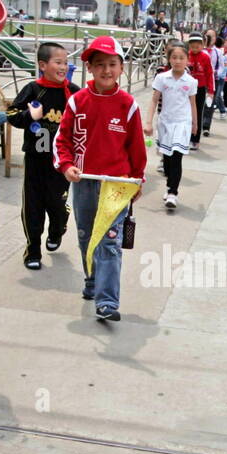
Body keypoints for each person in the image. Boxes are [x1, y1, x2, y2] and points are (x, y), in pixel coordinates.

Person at [53, 36, 147, 321]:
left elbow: (136, 148)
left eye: (112, 64)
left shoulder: (128, 105)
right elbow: (62, 141)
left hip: (116, 186)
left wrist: (137, 180)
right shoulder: (77, 101)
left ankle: (107, 302)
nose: (106, 70)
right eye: (100, 65)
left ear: (121, 68)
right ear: (90, 69)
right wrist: (67, 166)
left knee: (109, 240)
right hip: (83, 181)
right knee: (86, 237)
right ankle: (92, 280)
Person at [5, 43, 79, 270]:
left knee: (58, 206)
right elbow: (12, 115)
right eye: (58, 62)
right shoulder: (33, 89)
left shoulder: (75, 92)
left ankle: (57, 230)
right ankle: (33, 251)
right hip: (36, 160)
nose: (63, 67)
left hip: (63, 164)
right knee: (33, 206)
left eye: (65, 63)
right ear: (43, 65)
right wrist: (30, 115)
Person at [145, 41, 198, 210]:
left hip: (183, 123)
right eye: (174, 57)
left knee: (176, 157)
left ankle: (173, 192)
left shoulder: (190, 81)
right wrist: (149, 122)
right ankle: (170, 185)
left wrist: (195, 124)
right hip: (165, 123)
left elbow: (193, 104)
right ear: (169, 59)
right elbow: (154, 100)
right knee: (167, 160)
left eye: (181, 58)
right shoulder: (162, 78)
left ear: (187, 60)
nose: (177, 61)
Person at [186, 34, 214, 151]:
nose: (195, 49)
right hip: (187, 89)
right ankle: (186, 137)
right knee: (186, 113)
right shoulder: (186, 55)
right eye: (192, 47)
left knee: (197, 113)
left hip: (200, 89)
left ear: (202, 45)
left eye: (198, 46)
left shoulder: (205, 57)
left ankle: (195, 140)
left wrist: (211, 90)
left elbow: (209, 74)